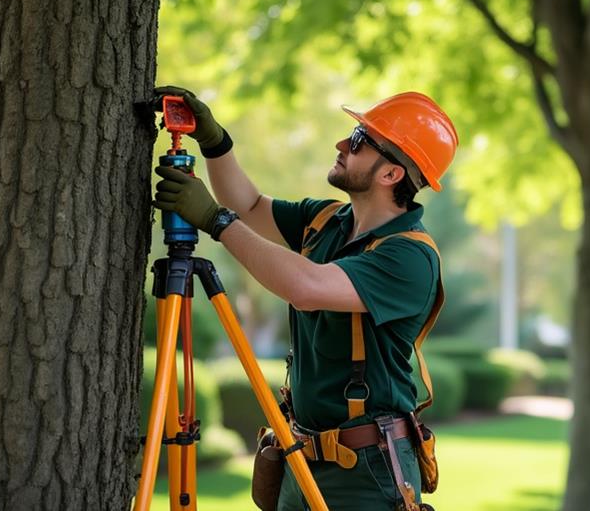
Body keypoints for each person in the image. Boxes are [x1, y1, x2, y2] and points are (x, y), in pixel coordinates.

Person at [151, 86, 458, 511]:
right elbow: (251, 205)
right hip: (300, 454)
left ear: (391, 174)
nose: (341, 144)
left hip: (367, 471)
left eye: (358, 141)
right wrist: (214, 142)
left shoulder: (409, 256)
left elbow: (307, 288)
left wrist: (216, 222)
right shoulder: (329, 220)